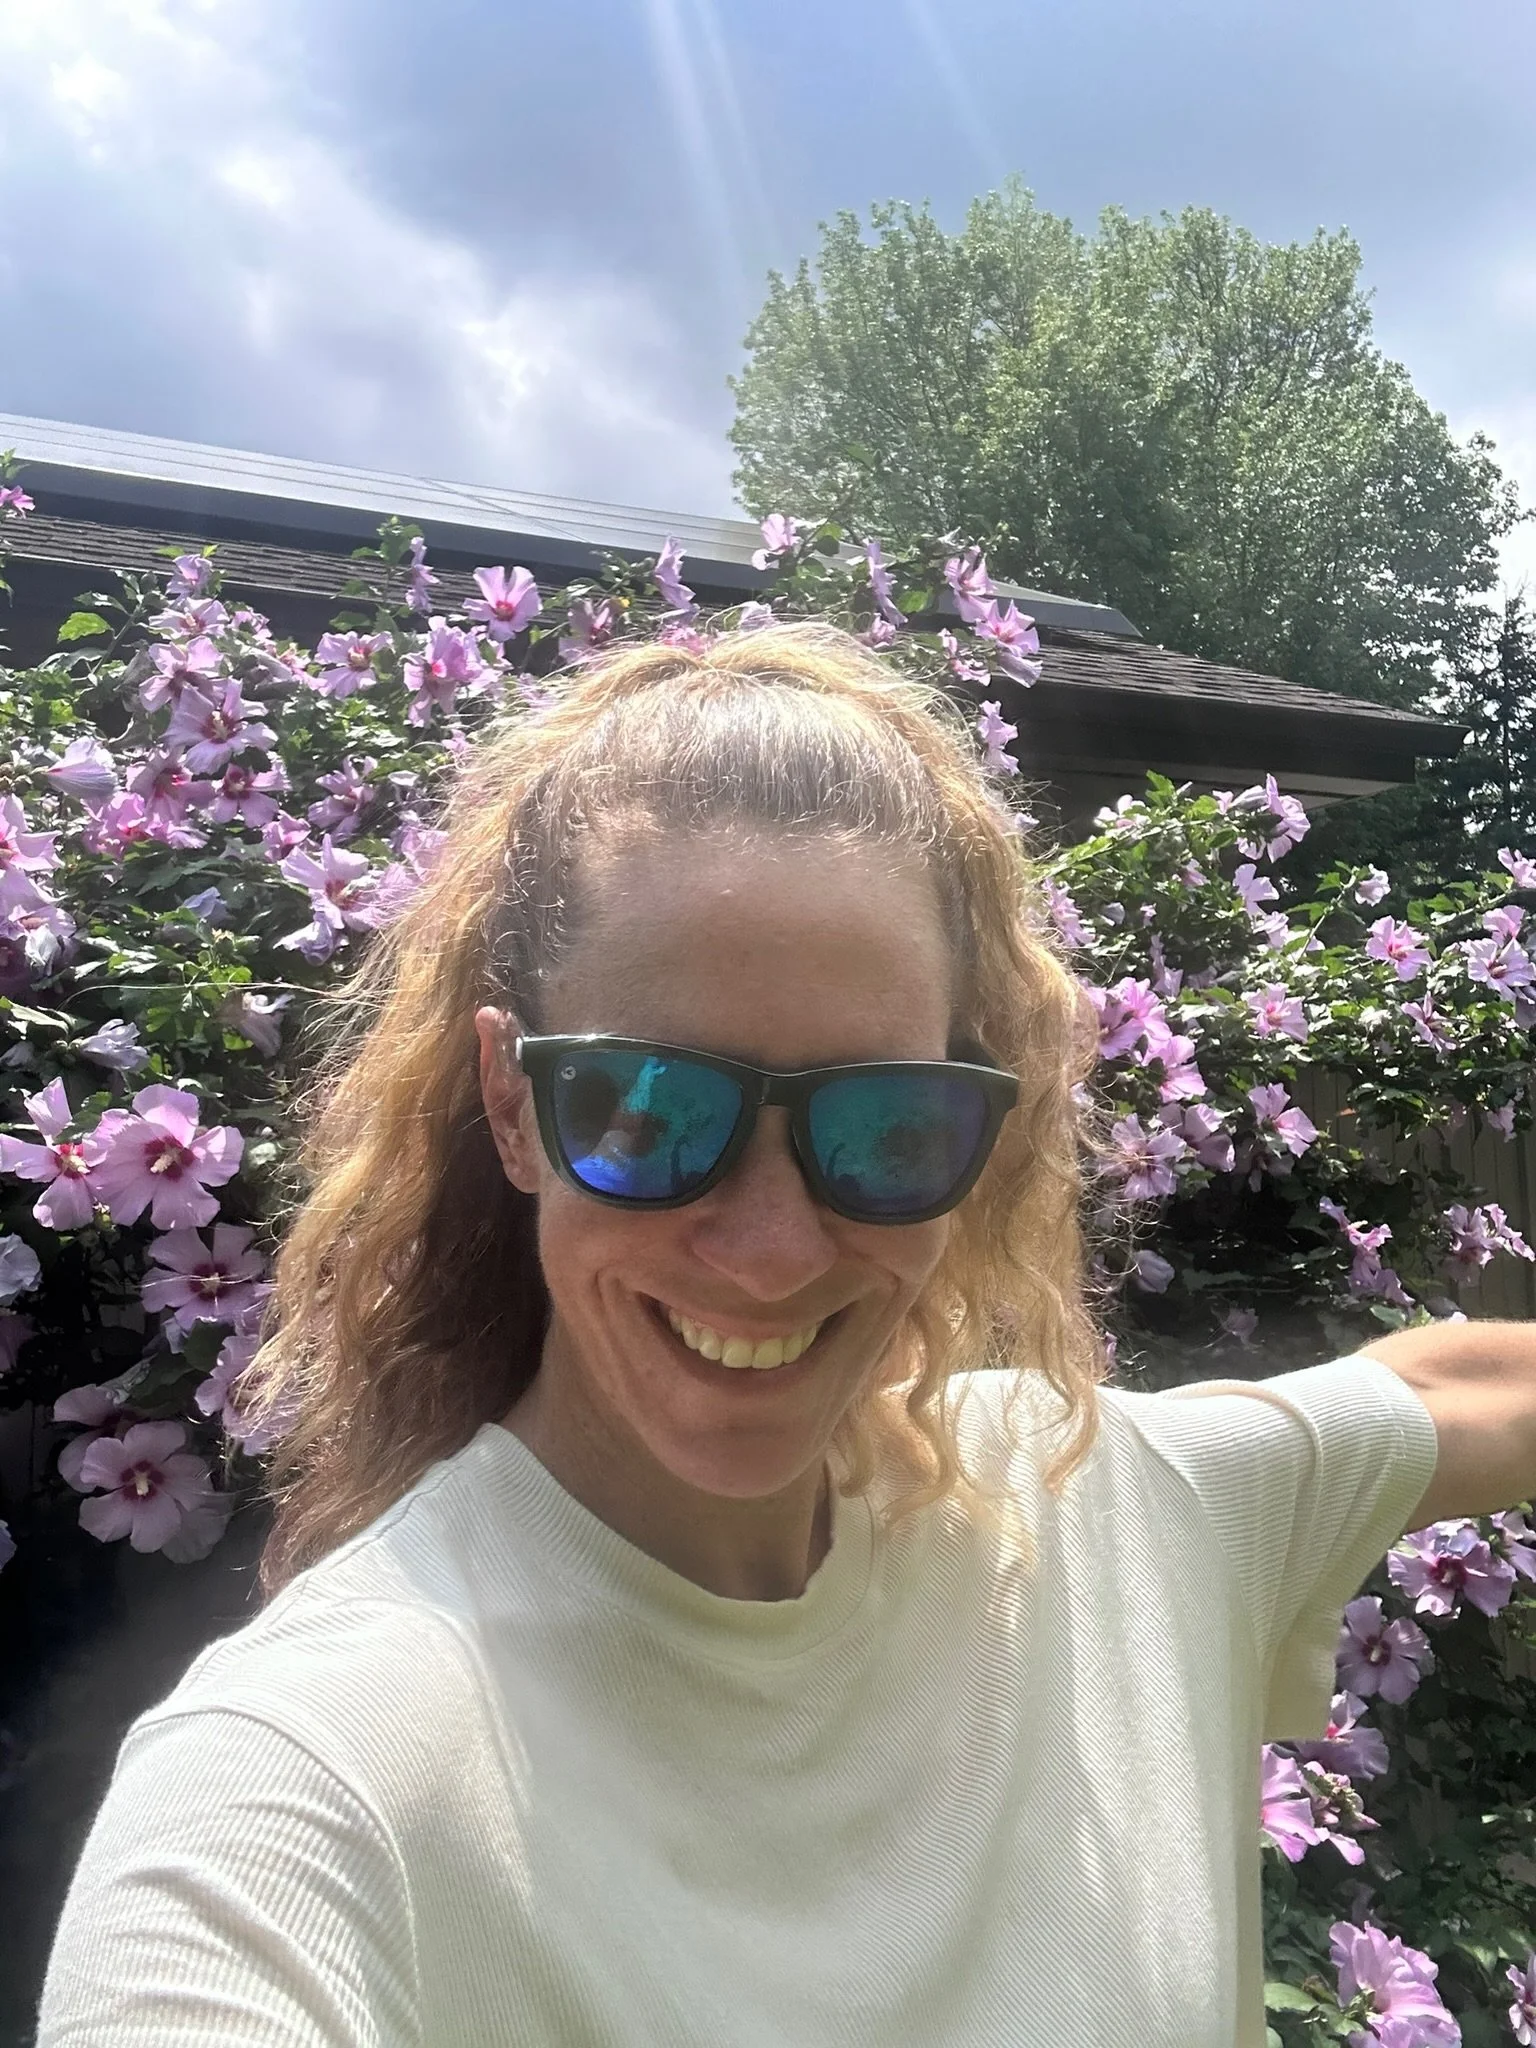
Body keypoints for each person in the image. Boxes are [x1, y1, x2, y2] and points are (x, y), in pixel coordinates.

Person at [37, 623, 1536, 2046]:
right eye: (645, 1112)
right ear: (513, 1105)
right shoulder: (309, 1779)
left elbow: (1441, 1389)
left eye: (885, 1122)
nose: (767, 1249)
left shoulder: (1096, 1511)